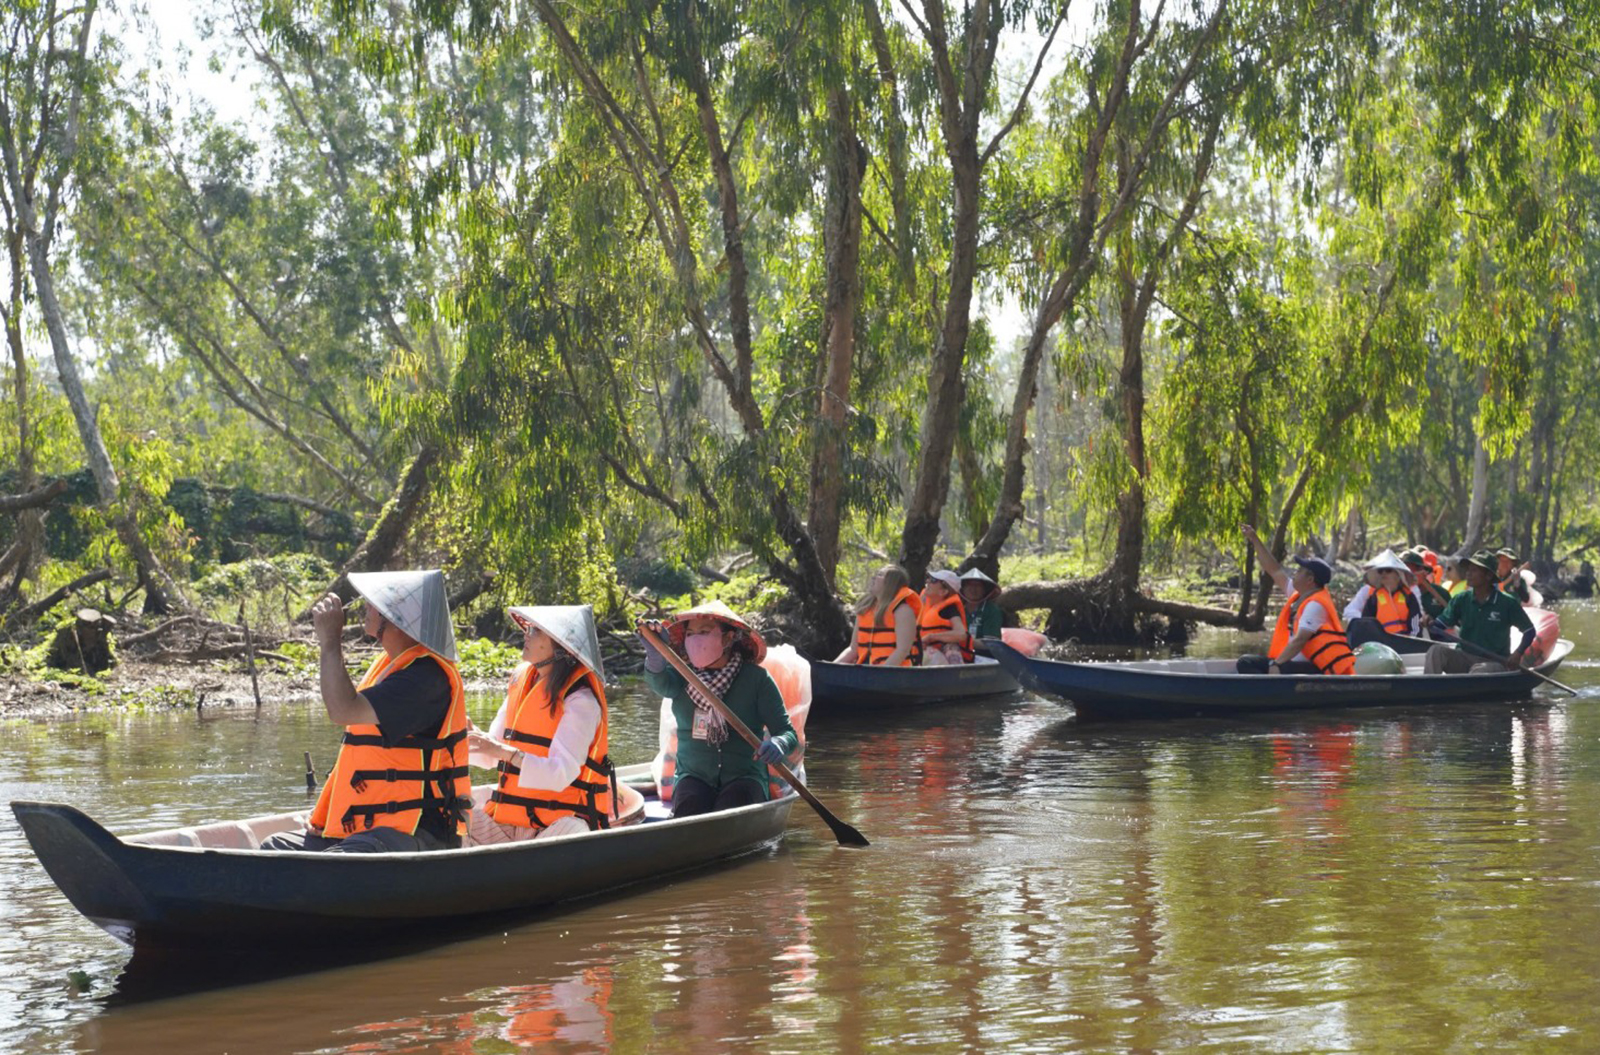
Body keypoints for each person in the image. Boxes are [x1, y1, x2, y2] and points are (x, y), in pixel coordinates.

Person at [263, 570, 470, 852]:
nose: (366, 607)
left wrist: (330, 641)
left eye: (375, 604)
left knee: (341, 859)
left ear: (396, 619)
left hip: (417, 831)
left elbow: (342, 710)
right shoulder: (390, 668)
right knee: (275, 846)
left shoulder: (424, 679)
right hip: (370, 828)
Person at [466, 605, 616, 844]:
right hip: (507, 823)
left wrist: (506, 753)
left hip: (556, 825)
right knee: (453, 810)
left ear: (561, 646)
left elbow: (560, 774)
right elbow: (490, 755)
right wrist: (468, 737)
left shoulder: (581, 701)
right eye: (528, 628)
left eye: (535, 630)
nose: (526, 634)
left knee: (574, 829)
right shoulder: (522, 684)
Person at [640, 601, 798, 818]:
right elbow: (659, 682)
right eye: (690, 634)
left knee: (732, 807)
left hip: (744, 776)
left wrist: (779, 743)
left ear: (728, 638)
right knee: (690, 807)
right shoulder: (680, 674)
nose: (695, 639)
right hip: (693, 775)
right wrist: (655, 658)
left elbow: (787, 732)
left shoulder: (756, 679)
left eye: (704, 632)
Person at [1237, 525, 1355, 675]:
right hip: (1294, 664)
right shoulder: (1300, 594)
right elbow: (1274, 570)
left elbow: (1300, 640)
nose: (1294, 572)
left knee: (1253, 664)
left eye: (1299, 571)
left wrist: (1276, 663)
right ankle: (1269, 685)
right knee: (1247, 662)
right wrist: (1254, 538)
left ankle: (1269, 688)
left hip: (1312, 669)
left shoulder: (1315, 605)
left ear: (1310, 580)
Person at [1424, 549, 1536, 674]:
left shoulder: (1507, 603)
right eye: (1468, 570)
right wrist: (1429, 623)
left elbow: (1529, 631)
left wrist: (1518, 653)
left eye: (1474, 570)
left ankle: (1469, 685)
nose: (1468, 574)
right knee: (1436, 651)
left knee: (1479, 670)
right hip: (1464, 657)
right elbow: (1439, 625)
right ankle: (1430, 686)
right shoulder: (1461, 599)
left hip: (1494, 662)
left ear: (1488, 576)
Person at [834, 564, 921, 666]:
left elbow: (903, 651)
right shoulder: (865, 609)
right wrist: (831, 667)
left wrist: (879, 673)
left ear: (891, 583)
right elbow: (853, 649)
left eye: (880, 575)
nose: (873, 577)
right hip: (865, 669)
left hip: (893, 671)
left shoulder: (903, 611)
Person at [1343, 549, 1426, 652]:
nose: (1383, 573)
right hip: (1382, 647)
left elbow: (1415, 625)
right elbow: (1366, 624)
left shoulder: (1409, 596)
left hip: (1404, 644)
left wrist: (1412, 643)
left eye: (1388, 570)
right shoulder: (1374, 598)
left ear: (1398, 575)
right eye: (1380, 571)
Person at [917, 569, 971, 665]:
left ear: (943, 591)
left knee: (951, 647)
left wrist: (931, 637)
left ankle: (956, 673)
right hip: (925, 650)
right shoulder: (923, 601)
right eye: (929, 578)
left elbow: (961, 634)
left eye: (933, 580)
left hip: (942, 652)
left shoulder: (949, 608)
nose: (928, 581)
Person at [959, 568, 1004, 655]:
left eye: (978, 586)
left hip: (985, 656)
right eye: (969, 585)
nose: (973, 589)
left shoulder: (991, 610)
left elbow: (991, 643)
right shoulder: (957, 609)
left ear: (984, 590)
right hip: (959, 652)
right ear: (962, 589)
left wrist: (962, 640)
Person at [1404, 548, 1453, 622]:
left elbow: (1452, 618)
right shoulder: (1400, 594)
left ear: (1424, 571)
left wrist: (1435, 621)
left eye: (1414, 569)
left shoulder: (1441, 593)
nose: (1407, 575)